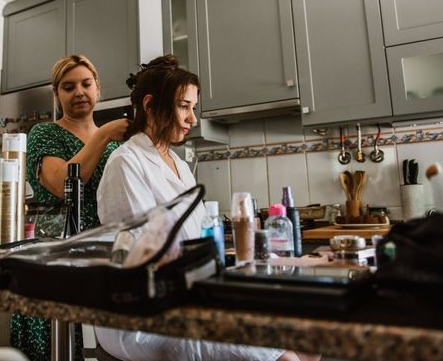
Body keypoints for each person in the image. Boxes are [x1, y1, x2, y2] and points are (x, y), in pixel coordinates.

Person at [96, 55, 319, 361]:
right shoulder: (125, 163)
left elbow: (199, 242)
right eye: (184, 106)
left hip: (190, 294)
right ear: (149, 105)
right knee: (286, 357)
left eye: (194, 108)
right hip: (146, 312)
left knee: (309, 338)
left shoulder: (179, 165)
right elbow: (145, 257)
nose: (193, 119)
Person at [11, 54, 130, 361]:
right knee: (53, 349)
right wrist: (103, 134)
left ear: (98, 89)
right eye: (68, 86)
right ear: (57, 94)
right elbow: (64, 185)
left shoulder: (118, 146)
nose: (79, 92)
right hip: (53, 257)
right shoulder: (44, 134)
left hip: (102, 258)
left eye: (86, 84)